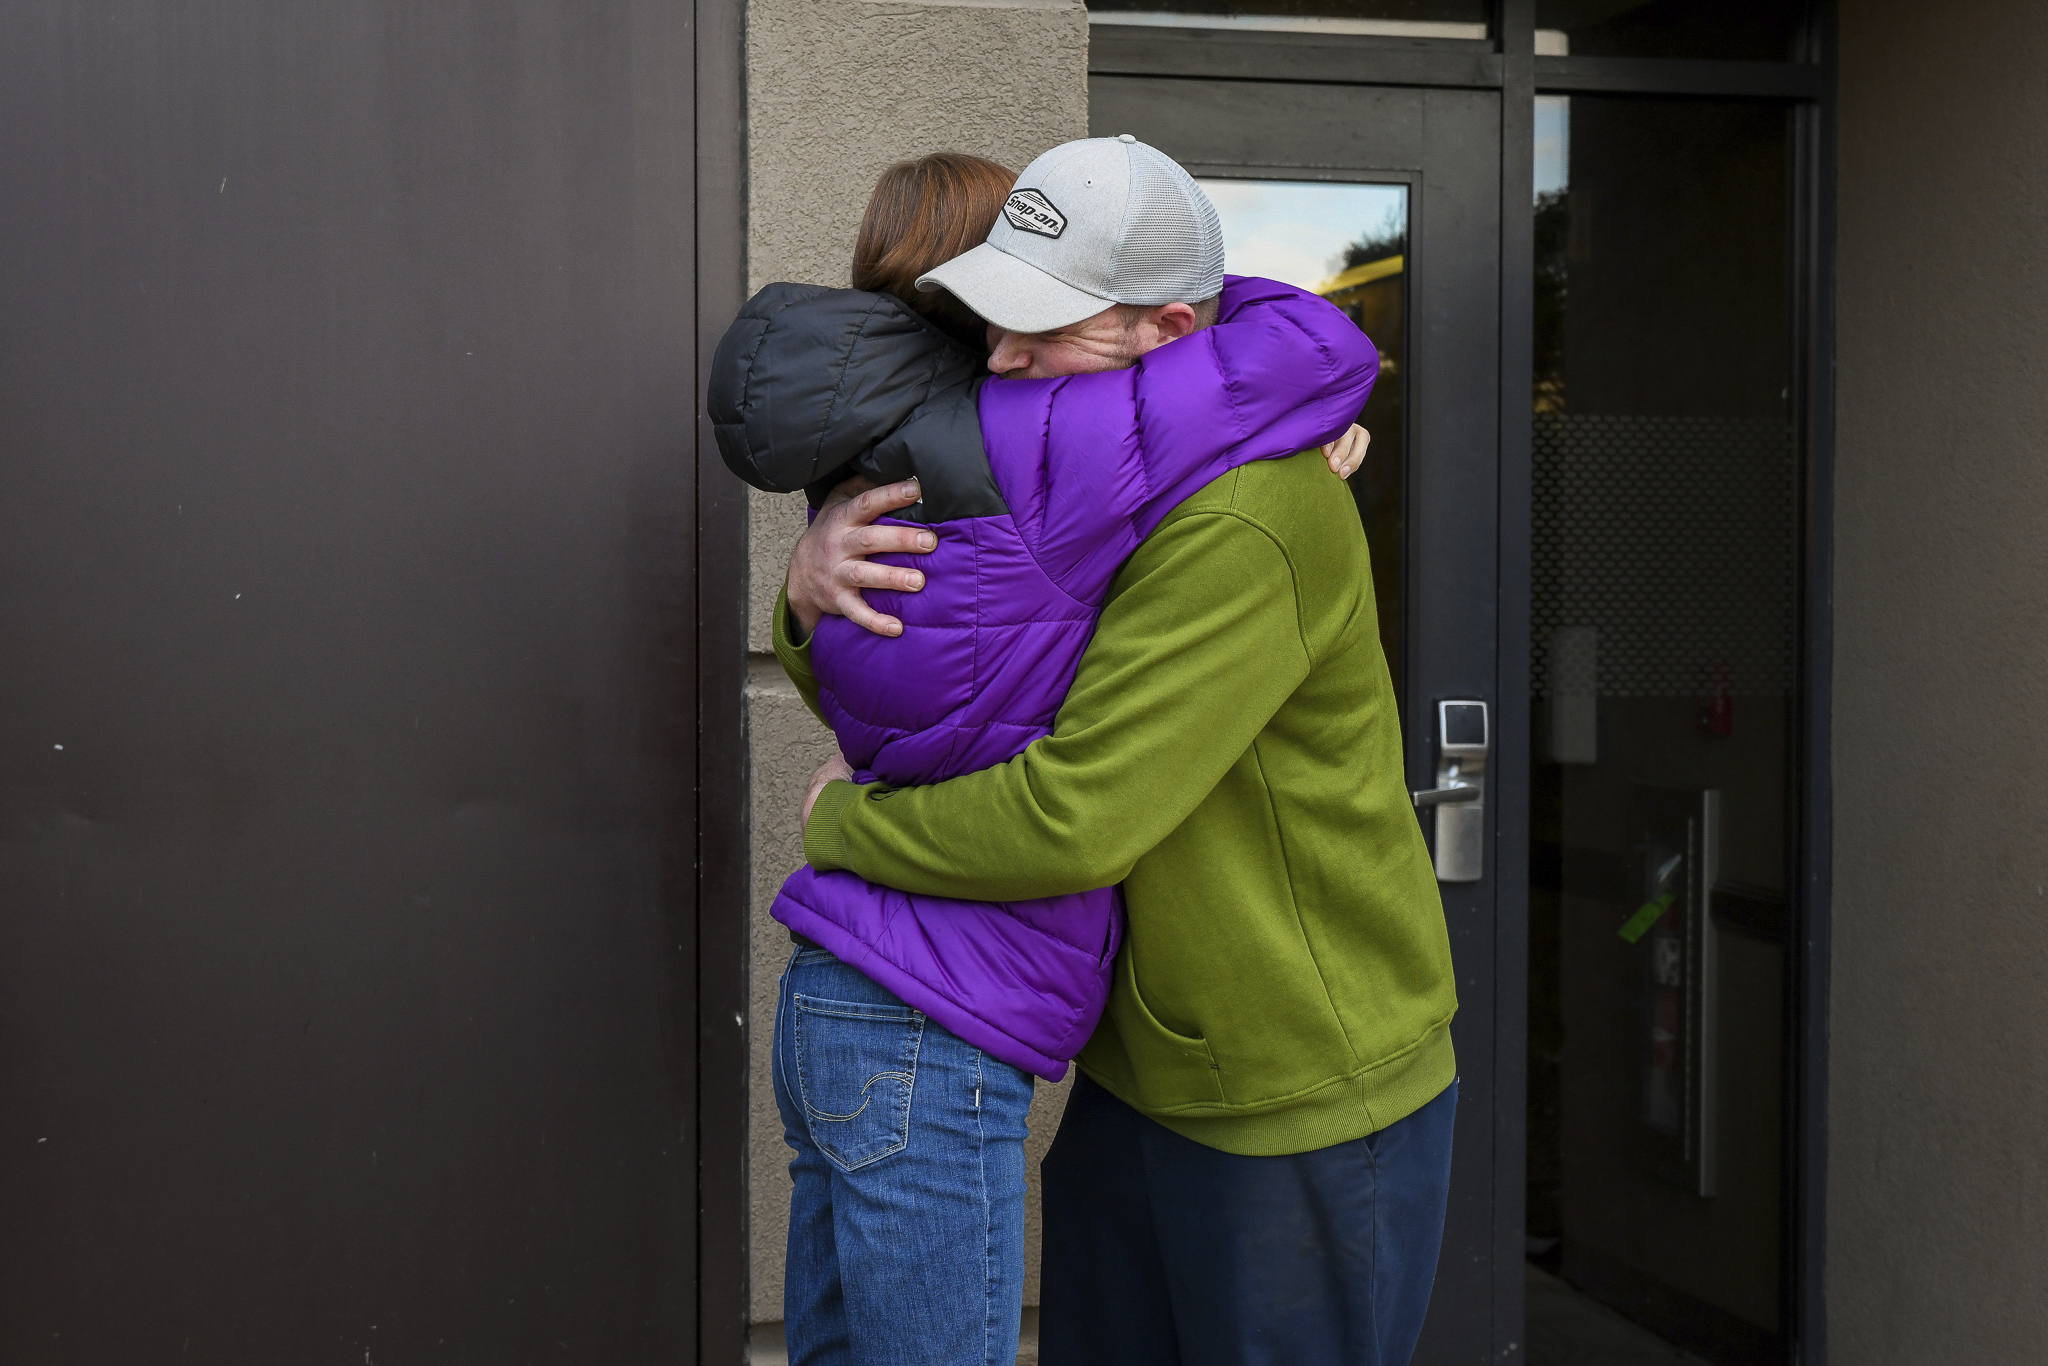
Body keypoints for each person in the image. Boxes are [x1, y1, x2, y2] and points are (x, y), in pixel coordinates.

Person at [784, 136, 1461, 1366]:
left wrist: (842, 827)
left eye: (1041, 324)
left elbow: (1075, 815)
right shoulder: (1104, 470)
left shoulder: (1246, 510)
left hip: (1293, 1084)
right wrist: (811, 585)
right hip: (1140, 1066)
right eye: (993, 316)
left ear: (1163, 328)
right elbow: (955, 657)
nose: (998, 357)